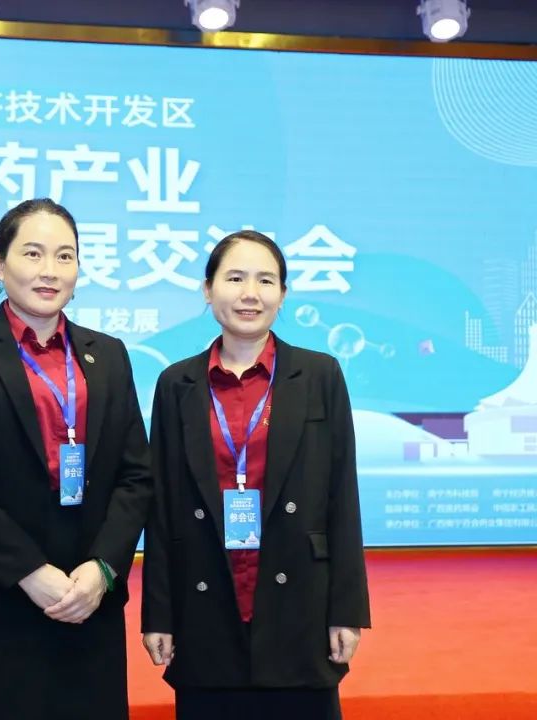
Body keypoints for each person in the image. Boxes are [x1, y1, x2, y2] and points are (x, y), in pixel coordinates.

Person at [0, 198, 153, 720]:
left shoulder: (108, 355)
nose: (50, 270)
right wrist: (27, 570)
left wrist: (103, 569)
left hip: (86, 598)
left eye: (65, 256)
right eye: (32, 253)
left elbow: (136, 475)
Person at [141, 230, 371, 720]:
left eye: (266, 281)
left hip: (301, 604)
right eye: (235, 278)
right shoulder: (176, 384)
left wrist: (347, 611)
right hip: (204, 603)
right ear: (208, 289)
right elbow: (161, 509)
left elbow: (342, 498)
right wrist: (158, 613)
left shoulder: (320, 376)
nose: (251, 293)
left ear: (283, 295)